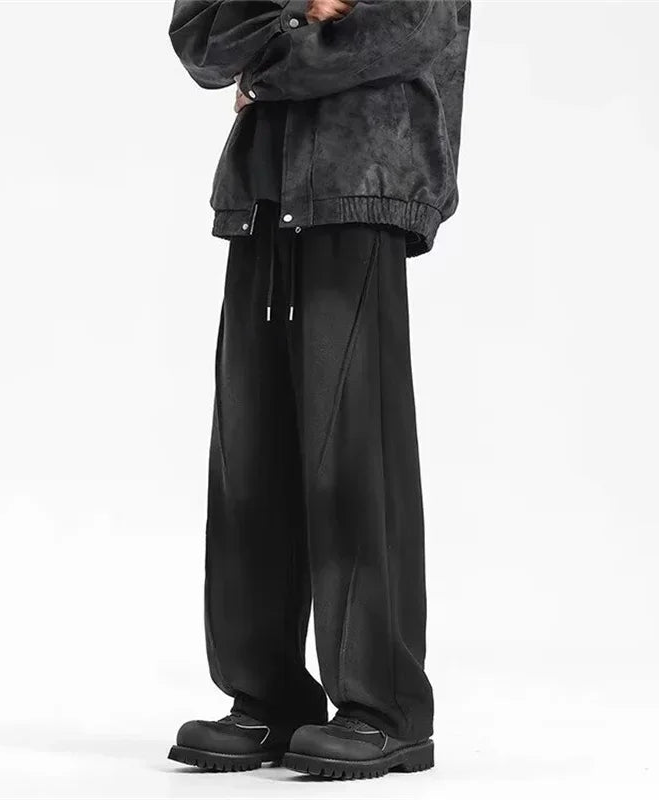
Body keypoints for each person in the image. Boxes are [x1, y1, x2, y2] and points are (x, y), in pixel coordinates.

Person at [166, 0, 470, 780]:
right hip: (260, 193)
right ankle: (266, 697)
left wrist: (268, 58)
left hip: (362, 183)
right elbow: (200, 39)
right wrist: (304, 9)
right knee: (248, 456)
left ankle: (387, 710)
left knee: (354, 454)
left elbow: (413, 26)